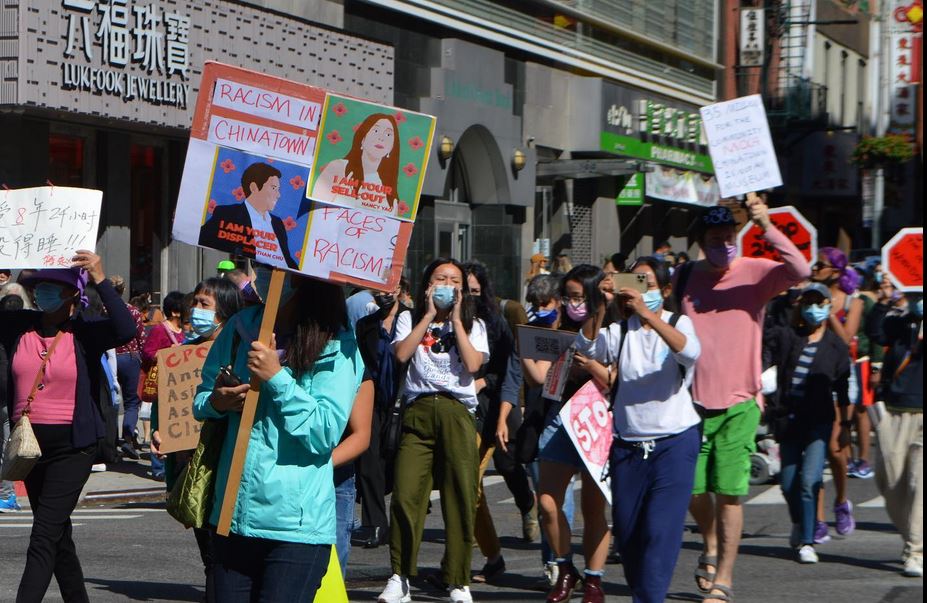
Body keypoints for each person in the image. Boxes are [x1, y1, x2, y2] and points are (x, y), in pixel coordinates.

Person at [194, 267, 363, 601]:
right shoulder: (240, 329)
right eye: (265, 268)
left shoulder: (338, 345)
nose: (266, 278)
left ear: (305, 280)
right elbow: (201, 400)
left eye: (280, 271)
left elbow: (325, 432)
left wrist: (277, 377)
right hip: (233, 514)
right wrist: (218, 401)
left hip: (296, 529)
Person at [676, 197, 809, 603]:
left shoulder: (756, 272)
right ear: (701, 240)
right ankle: (711, 544)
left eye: (730, 237)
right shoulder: (685, 276)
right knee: (694, 491)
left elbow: (800, 270)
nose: (724, 244)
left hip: (739, 401)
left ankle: (725, 580)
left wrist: (764, 223)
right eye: (715, 238)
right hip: (691, 401)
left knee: (729, 492)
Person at [2, 254, 135, 602]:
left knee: (43, 535)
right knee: (57, 534)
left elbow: (125, 329)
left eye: (55, 288)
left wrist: (101, 279)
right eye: (40, 287)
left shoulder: (85, 333)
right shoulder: (18, 325)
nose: (44, 294)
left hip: (73, 449)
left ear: (73, 297)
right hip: (30, 448)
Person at [575, 257, 701, 603]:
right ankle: (643, 593)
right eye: (635, 281)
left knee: (660, 530)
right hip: (628, 446)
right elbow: (586, 348)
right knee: (629, 537)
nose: (639, 290)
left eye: (647, 282)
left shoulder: (679, 323)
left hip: (674, 443)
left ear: (665, 289)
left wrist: (648, 314)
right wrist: (600, 306)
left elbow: (690, 352)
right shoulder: (617, 332)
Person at [377, 258, 489, 603]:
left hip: (457, 411)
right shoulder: (410, 318)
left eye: (454, 280)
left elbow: (472, 365)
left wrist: (455, 319)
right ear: (427, 285)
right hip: (418, 411)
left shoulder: (475, 323)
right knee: (407, 495)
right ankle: (400, 575)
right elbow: (400, 355)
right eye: (440, 278)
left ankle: (458, 579)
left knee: (460, 496)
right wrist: (427, 315)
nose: (447, 284)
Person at [532, 265, 612, 603]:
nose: (572, 303)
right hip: (560, 420)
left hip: (598, 421)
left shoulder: (617, 330)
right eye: (569, 296)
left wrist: (593, 366)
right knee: (548, 503)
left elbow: (616, 380)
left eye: (579, 297)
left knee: (594, 508)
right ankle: (565, 568)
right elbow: (543, 376)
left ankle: (594, 581)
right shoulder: (557, 326)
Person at [764, 283, 851, 565]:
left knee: (810, 480)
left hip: (820, 422)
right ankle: (800, 522)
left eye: (819, 303)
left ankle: (807, 540)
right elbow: (766, 343)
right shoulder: (789, 336)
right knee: (788, 483)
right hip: (788, 420)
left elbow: (843, 388)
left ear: (829, 307)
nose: (813, 308)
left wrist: (845, 425)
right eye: (808, 303)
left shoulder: (836, 347)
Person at [463, 262, 535, 584]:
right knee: (463, 486)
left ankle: (526, 506)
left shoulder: (501, 318)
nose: (468, 297)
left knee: (504, 468)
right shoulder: (445, 319)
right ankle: (485, 558)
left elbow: (510, 369)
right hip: (456, 411)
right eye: (463, 291)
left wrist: (484, 385)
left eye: (474, 291)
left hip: (492, 410)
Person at [354, 278, 412, 549]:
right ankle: (375, 523)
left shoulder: (411, 319)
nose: (383, 294)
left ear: (399, 290)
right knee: (369, 461)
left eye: (388, 288)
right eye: (378, 289)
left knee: (401, 462)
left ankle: (406, 522)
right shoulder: (365, 325)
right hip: (373, 399)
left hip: (405, 397)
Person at [810, 247, 862, 540]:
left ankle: (842, 501)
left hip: (842, 376)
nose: (815, 269)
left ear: (837, 271)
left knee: (835, 448)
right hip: (812, 378)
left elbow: (845, 340)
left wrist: (827, 312)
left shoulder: (853, 302)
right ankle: (817, 519)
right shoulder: (807, 296)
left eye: (821, 265)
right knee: (815, 448)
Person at [871, 294, 923, 577]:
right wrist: (884, 301)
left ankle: (915, 550)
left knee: (920, 483)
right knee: (890, 481)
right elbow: (875, 331)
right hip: (894, 410)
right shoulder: (899, 323)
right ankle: (911, 537)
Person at [198, 162, 299, 269]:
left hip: (286, 279)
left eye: (278, 189)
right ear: (254, 187)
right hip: (260, 276)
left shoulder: (277, 223)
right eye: (274, 188)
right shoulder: (227, 215)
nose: (278, 195)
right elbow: (199, 237)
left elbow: (286, 259)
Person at [310, 113, 402, 216]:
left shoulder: (390, 194)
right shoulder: (339, 168)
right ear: (362, 139)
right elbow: (314, 210)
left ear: (391, 147)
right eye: (375, 131)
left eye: (388, 134)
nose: (381, 138)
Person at [141, 291, 186, 481]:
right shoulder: (161, 329)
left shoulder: (185, 331)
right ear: (176, 312)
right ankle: (158, 466)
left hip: (180, 386)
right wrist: (169, 353)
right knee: (159, 422)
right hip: (163, 386)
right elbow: (148, 352)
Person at [332, 376, 375, 575]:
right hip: (282, 475)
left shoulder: (353, 365)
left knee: (333, 565)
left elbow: (361, 436)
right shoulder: (280, 361)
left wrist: (316, 470)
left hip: (335, 476)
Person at [108, 275, 147, 461]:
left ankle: (112, 440)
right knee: (132, 401)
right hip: (130, 357)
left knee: (111, 401)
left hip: (109, 357)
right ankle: (129, 438)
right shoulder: (133, 311)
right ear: (123, 290)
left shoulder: (103, 310)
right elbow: (141, 338)